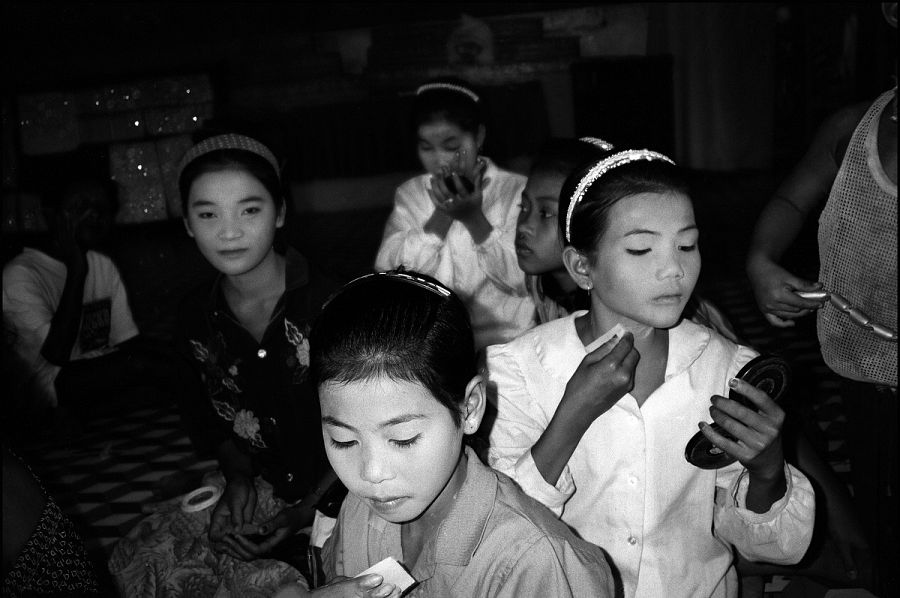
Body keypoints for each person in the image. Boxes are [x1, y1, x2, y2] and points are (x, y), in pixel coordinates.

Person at [486, 149, 815, 598]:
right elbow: (501, 531)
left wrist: (767, 472)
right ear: (582, 266)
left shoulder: (724, 369)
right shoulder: (520, 370)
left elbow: (769, 549)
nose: (674, 268)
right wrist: (572, 416)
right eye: (641, 248)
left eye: (687, 244)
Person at [274, 270, 618, 597]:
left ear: (469, 408)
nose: (371, 473)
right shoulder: (359, 511)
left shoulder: (533, 564)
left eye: (403, 438)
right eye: (344, 440)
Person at [108, 132, 343, 596]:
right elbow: (211, 423)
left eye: (249, 209)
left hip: (348, 490)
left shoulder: (336, 302)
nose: (228, 231)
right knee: (141, 559)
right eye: (208, 213)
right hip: (263, 490)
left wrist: (308, 509)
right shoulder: (195, 316)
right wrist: (239, 481)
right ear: (189, 225)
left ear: (280, 213)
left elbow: (376, 424)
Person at [745, 5, 897, 591]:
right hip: (860, 364)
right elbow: (789, 203)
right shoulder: (851, 129)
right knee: (880, 496)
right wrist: (761, 262)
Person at [2, 177, 186, 430]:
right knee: (142, 369)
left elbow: (128, 342)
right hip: (49, 385)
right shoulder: (20, 274)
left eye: (103, 209)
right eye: (81, 206)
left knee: (171, 358)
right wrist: (77, 269)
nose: (94, 215)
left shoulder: (102, 263)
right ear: (52, 215)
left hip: (95, 372)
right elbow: (54, 356)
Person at [517, 136, 740, 340]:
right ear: (579, 265)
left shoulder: (692, 325)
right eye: (522, 207)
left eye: (686, 246)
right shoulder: (541, 287)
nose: (524, 226)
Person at [374, 78, 536, 351]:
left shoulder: (516, 190)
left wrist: (474, 220)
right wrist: (443, 214)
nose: (440, 160)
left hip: (512, 345)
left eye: (451, 146)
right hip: (436, 349)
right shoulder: (411, 194)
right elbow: (390, 273)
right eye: (426, 147)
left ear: (479, 137)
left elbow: (525, 278)